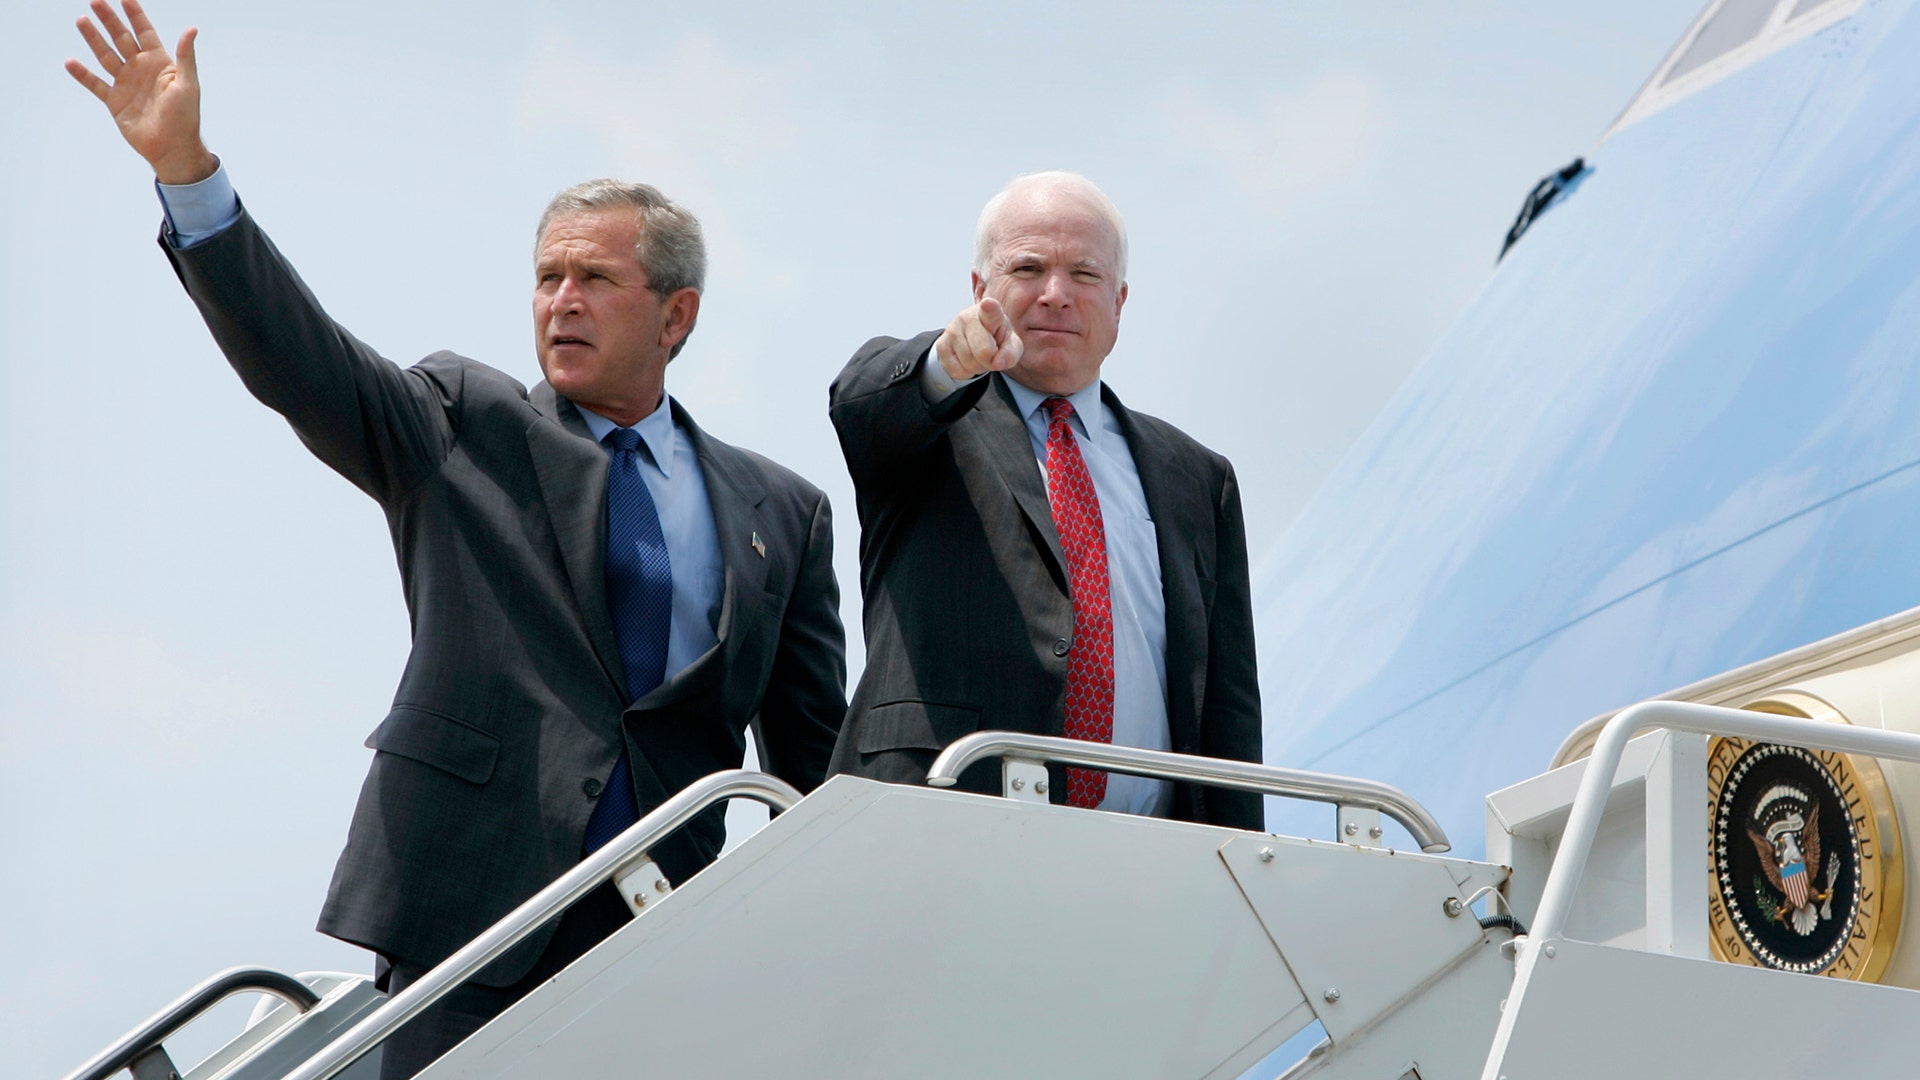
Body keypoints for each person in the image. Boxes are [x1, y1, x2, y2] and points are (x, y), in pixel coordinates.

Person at [66, 3, 845, 1074]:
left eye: (595, 281)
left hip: (667, 941)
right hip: (469, 935)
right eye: (546, 279)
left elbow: (814, 764)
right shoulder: (466, 422)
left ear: (677, 316)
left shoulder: (784, 512)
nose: (561, 303)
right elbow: (306, 365)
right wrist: (191, 176)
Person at [827, 171, 1262, 828]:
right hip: (939, 833)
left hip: (1151, 865)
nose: (1055, 295)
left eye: (1084, 275)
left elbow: (1226, 711)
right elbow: (862, 404)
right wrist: (949, 362)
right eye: (1028, 267)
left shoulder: (1197, 477)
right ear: (980, 290)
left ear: (1119, 301)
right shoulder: (933, 419)